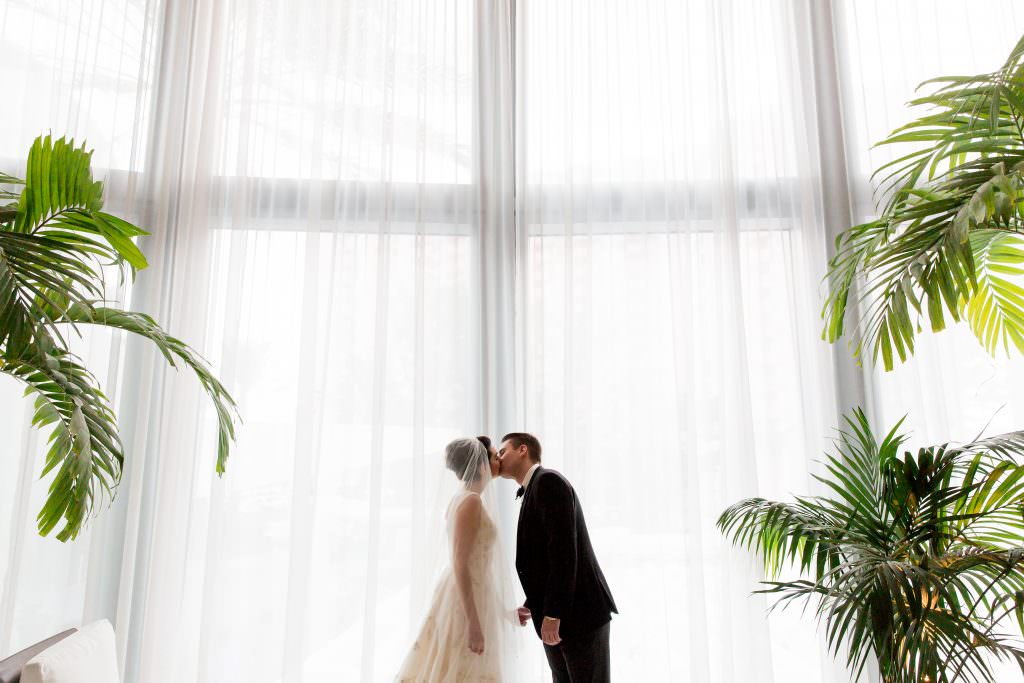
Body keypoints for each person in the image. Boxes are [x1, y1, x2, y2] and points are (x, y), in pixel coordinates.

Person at [395, 437, 524, 682]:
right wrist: (473, 623)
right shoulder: (470, 502)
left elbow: (480, 570)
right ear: (481, 464)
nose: (499, 460)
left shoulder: (467, 498)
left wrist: (504, 613)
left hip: (476, 596)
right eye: (495, 456)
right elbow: (460, 562)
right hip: (463, 603)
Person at [499, 432, 618, 683]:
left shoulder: (548, 481)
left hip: (579, 615)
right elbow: (545, 560)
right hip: (559, 617)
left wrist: (553, 613)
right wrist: (534, 603)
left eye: (503, 451)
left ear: (522, 450)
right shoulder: (533, 488)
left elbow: (564, 551)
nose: (498, 458)